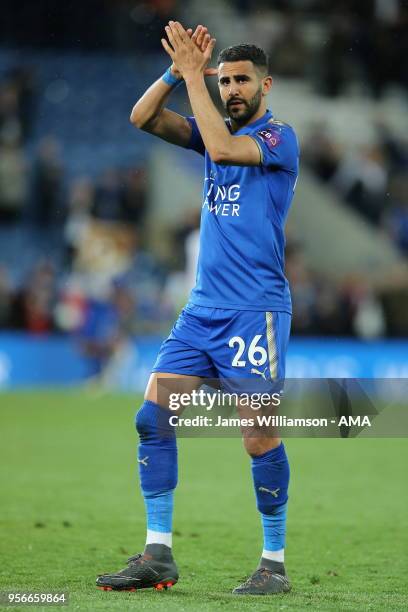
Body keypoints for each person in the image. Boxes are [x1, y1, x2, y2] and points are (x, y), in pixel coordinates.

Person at [96, 22, 299, 596]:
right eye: (226, 79)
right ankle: (158, 553)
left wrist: (194, 79)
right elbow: (140, 118)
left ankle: (273, 565)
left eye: (242, 81)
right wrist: (172, 73)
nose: (233, 88)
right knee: (152, 414)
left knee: (258, 437)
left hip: (254, 311)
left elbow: (221, 147)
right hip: (202, 312)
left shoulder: (279, 139)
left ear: (266, 86)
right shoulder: (212, 125)